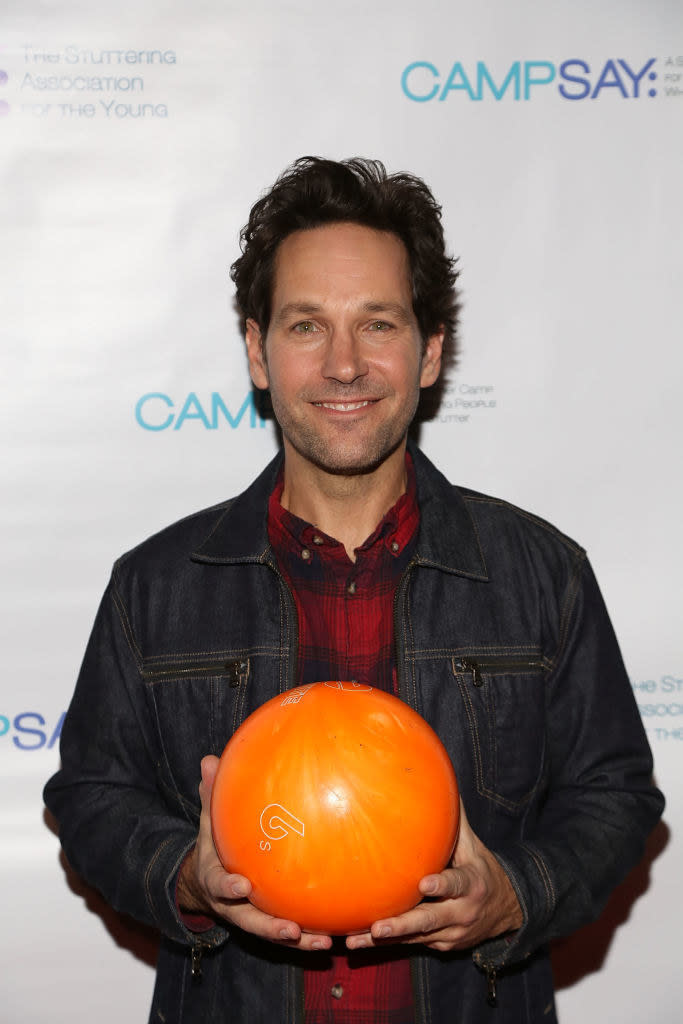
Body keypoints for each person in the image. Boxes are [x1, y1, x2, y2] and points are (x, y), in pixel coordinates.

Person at [44, 157, 664, 1024]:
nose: (344, 365)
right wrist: (185, 873)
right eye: (306, 326)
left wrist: (514, 895)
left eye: (377, 324)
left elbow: (615, 795)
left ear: (430, 353)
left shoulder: (541, 572)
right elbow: (90, 796)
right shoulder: (154, 585)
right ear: (258, 352)